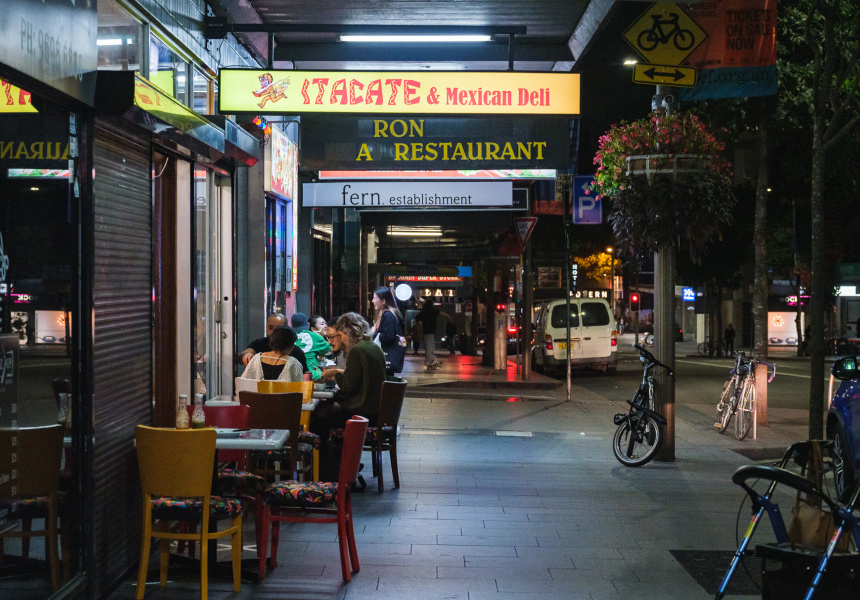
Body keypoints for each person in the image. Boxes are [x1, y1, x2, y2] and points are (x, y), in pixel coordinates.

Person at [312, 312, 386, 478]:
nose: (341, 338)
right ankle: (343, 465)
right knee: (328, 411)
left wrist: (335, 375)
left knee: (318, 422)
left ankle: (329, 471)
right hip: (374, 411)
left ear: (347, 333)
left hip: (361, 412)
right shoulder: (373, 347)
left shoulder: (356, 351)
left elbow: (348, 387)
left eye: (340, 334)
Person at [240, 312, 308, 373]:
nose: (274, 331)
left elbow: (304, 375)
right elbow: (243, 355)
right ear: (266, 327)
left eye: (278, 328)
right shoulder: (260, 343)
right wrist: (247, 354)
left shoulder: (297, 352)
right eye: (270, 327)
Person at [369, 286, 406, 376]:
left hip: (386, 356)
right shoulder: (389, 313)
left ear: (383, 301)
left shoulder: (388, 315)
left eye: (374, 298)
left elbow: (388, 336)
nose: (372, 301)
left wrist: (374, 332)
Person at [296, 314, 331, 381]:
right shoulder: (315, 336)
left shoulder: (294, 336)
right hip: (313, 376)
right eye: (322, 324)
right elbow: (331, 349)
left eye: (325, 323)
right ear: (312, 328)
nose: (326, 326)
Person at [415, 297, 441, 369]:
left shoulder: (424, 311)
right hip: (431, 331)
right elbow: (440, 312)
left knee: (428, 347)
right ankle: (429, 362)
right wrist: (449, 316)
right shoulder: (432, 311)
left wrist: (420, 323)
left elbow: (417, 318)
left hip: (426, 331)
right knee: (430, 347)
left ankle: (429, 362)